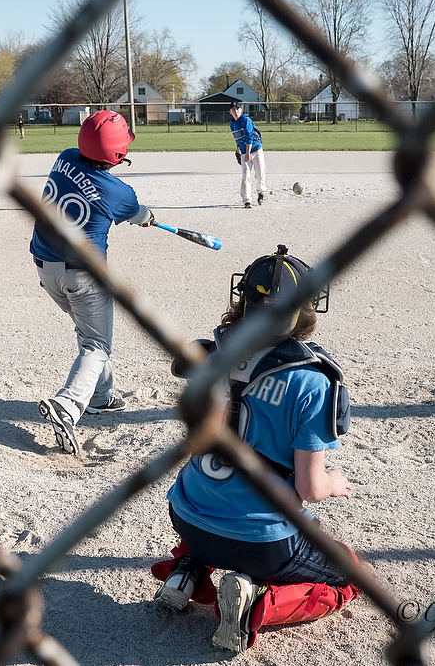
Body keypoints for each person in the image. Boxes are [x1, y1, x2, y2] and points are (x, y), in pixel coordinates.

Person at [151, 245, 359, 653]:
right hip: (262, 540)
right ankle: (256, 603)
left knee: (219, 515)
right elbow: (310, 487)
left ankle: (186, 572)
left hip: (187, 517)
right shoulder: (312, 381)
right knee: (348, 573)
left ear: (243, 299)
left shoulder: (211, 355)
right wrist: (334, 482)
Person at [32, 110, 154, 454]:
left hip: (45, 270)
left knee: (88, 332)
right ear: (118, 153)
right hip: (84, 277)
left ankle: (100, 396)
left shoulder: (65, 158)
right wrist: (146, 217)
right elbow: (138, 214)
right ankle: (68, 406)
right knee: (98, 345)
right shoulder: (120, 192)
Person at [229, 101, 267, 209]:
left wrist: (247, 153)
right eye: (233, 110)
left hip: (255, 148)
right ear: (230, 112)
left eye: (237, 109)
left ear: (241, 110)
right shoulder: (232, 124)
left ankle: (260, 191)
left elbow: (249, 136)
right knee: (245, 176)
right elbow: (238, 138)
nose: (236, 111)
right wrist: (238, 149)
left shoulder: (246, 120)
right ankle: (247, 200)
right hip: (244, 150)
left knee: (260, 173)